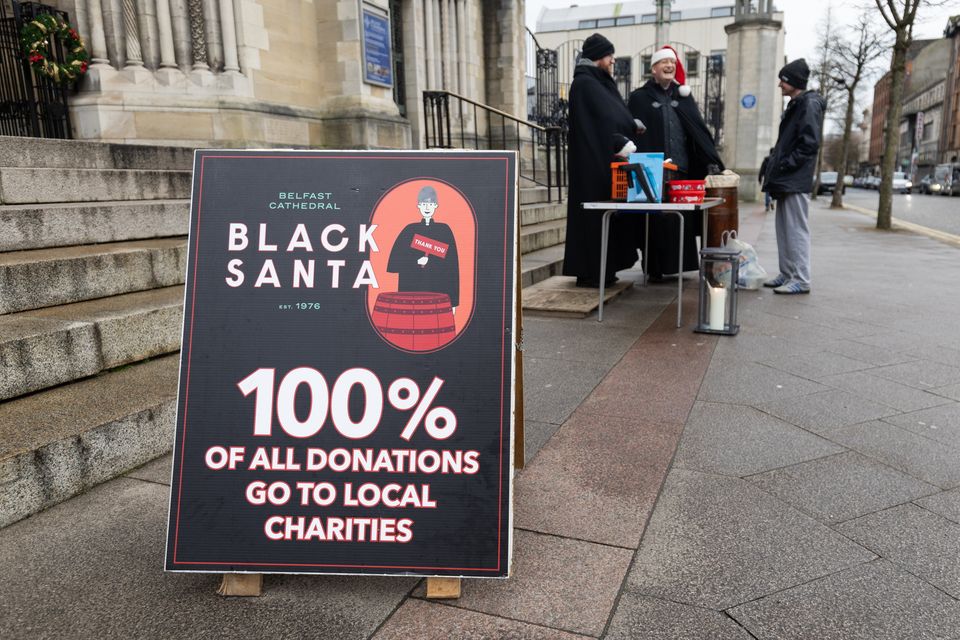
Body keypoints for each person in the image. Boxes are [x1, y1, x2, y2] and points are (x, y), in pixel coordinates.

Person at [627, 45, 723, 281]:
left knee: (680, 216)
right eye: (663, 62)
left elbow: (699, 131)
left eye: (672, 62)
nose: (669, 66)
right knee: (654, 219)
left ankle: (679, 264)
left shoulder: (684, 96)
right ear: (654, 69)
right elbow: (631, 131)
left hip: (682, 168)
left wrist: (710, 160)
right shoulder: (640, 97)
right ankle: (655, 268)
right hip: (653, 169)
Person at [562, 33, 641, 288]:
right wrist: (618, 136)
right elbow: (599, 122)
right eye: (609, 56)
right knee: (592, 219)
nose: (613, 60)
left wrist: (630, 124)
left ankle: (606, 269)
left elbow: (614, 114)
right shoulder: (584, 84)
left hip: (604, 160)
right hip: (590, 163)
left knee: (608, 216)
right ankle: (591, 272)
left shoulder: (600, 83)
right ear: (598, 57)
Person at [761, 58, 825, 295]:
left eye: (783, 80)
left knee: (796, 229)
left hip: (794, 178)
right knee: (785, 229)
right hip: (788, 178)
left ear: (794, 82)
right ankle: (788, 273)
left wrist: (785, 165)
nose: (780, 84)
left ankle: (800, 278)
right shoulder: (798, 104)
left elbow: (809, 144)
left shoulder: (807, 105)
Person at [387, 185, 460, 311]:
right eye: (423, 203)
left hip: (437, 294)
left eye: (431, 204)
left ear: (436, 206)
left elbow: (452, 268)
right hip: (411, 294)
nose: (427, 208)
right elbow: (394, 264)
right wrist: (415, 261)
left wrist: (453, 302)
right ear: (418, 206)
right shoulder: (409, 230)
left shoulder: (444, 230)